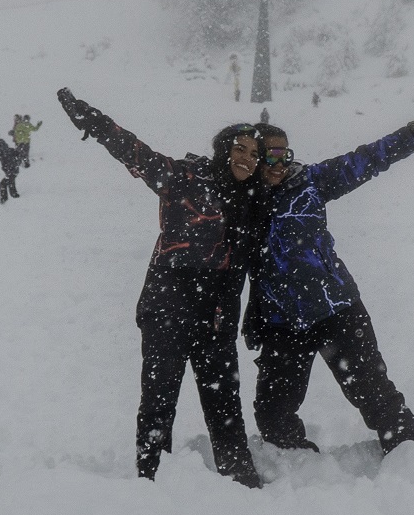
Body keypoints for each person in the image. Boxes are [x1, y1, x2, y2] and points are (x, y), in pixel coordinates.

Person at [56, 87, 265, 488]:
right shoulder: (183, 177)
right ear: (224, 149)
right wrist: (91, 119)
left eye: (254, 155)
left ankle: (240, 479)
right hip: (168, 305)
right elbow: (132, 151)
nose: (247, 159)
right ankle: (150, 478)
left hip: (216, 315)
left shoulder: (250, 200)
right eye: (240, 148)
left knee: (224, 403)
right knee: (158, 401)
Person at [243, 107, 414, 473]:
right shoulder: (241, 200)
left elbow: (367, 158)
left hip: (336, 312)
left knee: (376, 396)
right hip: (282, 324)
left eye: (283, 154)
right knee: (273, 414)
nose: (277, 164)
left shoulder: (310, 183)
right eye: (268, 155)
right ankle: (300, 470)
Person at [0, 138, 21, 203]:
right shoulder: (8, 150)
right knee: (10, 184)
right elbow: (17, 154)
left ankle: (5, 199)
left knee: (4, 184)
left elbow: (8, 163)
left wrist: (8, 171)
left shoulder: (4, 153)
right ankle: (13, 197)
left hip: (11, 171)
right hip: (13, 171)